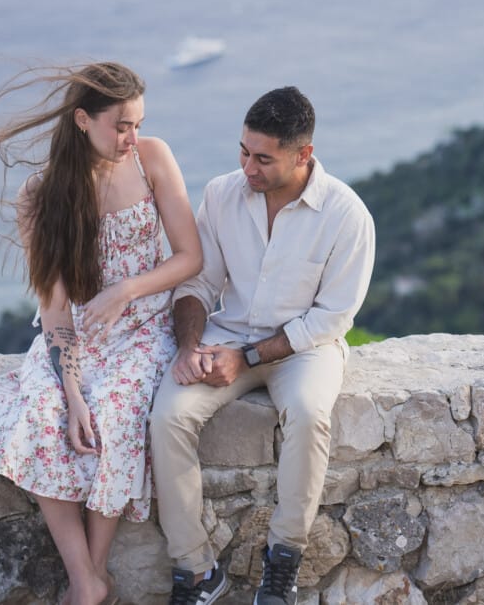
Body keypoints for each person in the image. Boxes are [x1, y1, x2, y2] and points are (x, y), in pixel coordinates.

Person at [0, 62, 202, 605]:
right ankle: (86, 578)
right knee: (45, 417)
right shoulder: (40, 196)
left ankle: (93, 574)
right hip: (78, 339)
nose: (131, 137)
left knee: (115, 414)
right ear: (83, 120)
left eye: (137, 124)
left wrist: (126, 290)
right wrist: (70, 393)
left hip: (144, 329)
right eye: (121, 126)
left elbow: (190, 257)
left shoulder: (152, 158)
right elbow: (55, 310)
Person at [151, 86, 375, 605]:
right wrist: (189, 347)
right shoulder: (221, 194)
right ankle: (196, 571)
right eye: (243, 152)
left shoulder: (347, 215)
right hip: (226, 335)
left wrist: (248, 357)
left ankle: (283, 560)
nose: (247, 168)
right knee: (167, 417)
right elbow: (197, 284)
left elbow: (333, 316)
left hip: (306, 347)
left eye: (263, 159)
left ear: (303, 154)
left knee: (309, 413)